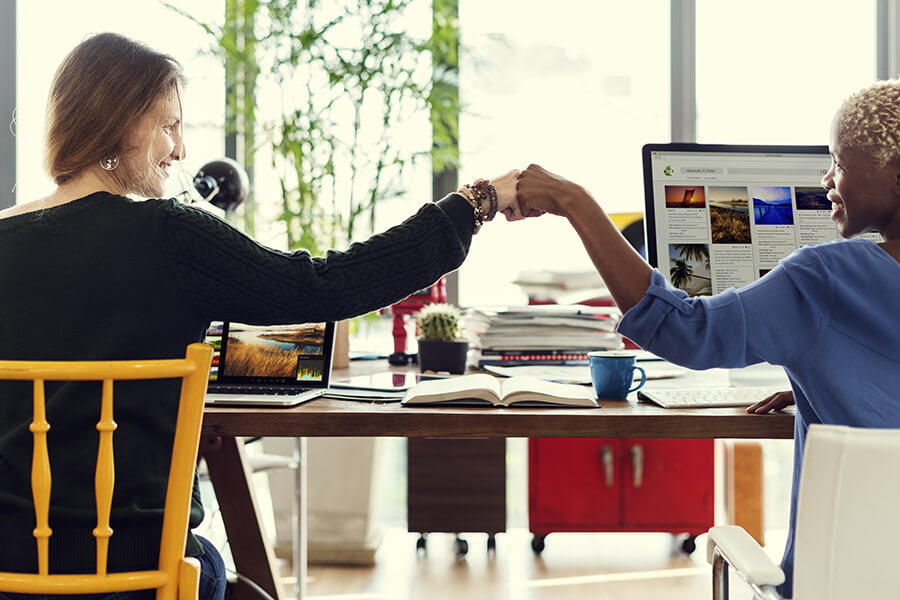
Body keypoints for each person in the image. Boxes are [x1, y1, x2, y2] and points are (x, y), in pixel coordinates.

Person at [0, 33, 536, 600]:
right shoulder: (168, 232)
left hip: (9, 564)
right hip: (135, 561)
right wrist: (473, 204)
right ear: (121, 123)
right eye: (168, 126)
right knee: (235, 580)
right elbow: (323, 287)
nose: (180, 151)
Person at [515, 79, 900, 598]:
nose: (827, 178)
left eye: (841, 164)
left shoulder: (826, 279)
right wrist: (827, 376)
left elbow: (684, 329)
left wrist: (574, 202)